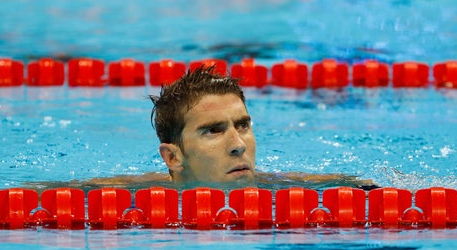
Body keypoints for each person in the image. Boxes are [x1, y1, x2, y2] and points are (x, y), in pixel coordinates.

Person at [71, 65, 377, 190]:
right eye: (213, 130)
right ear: (173, 158)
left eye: (242, 125)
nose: (238, 144)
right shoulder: (130, 193)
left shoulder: (289, 187)